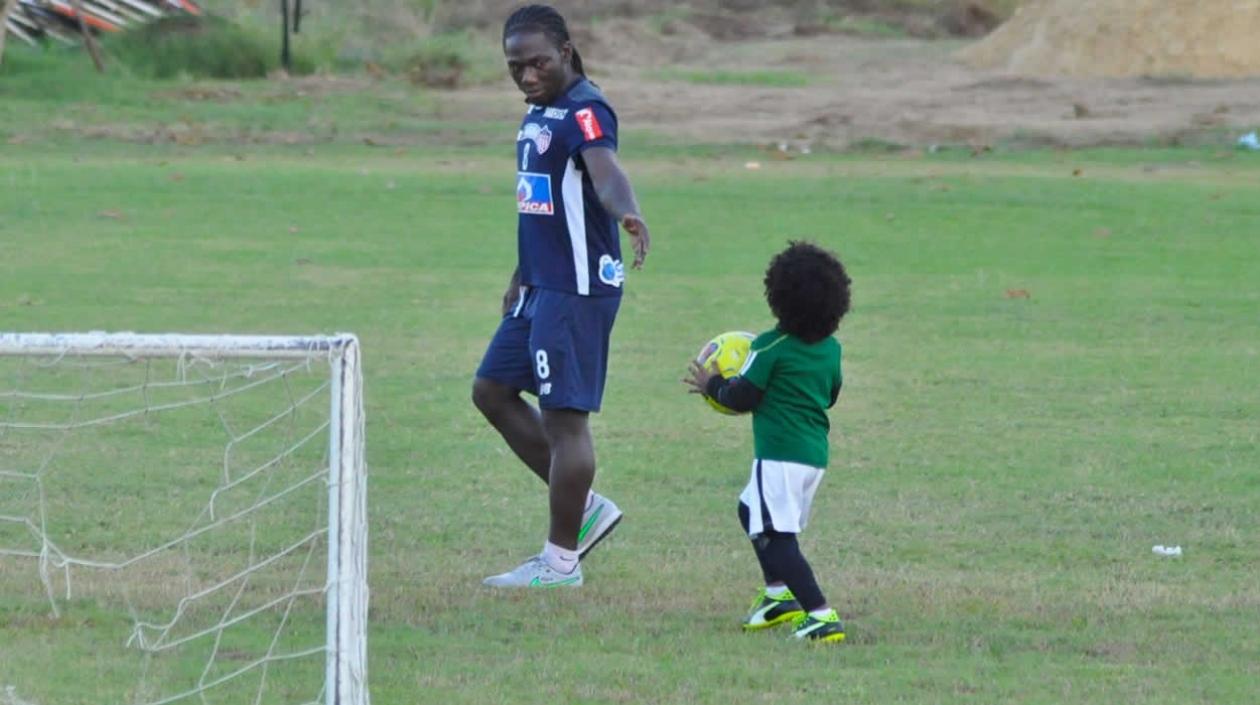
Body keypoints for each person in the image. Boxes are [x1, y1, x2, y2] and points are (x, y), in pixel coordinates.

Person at [473, 4, 651, 588]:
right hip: (540, 283)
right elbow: (542, 202)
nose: (527, 76)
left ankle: (559, 563)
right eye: (515, 66)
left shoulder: (585, 110)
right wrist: (520, 269)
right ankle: (587, 507)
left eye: (539, 63)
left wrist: (627, 213)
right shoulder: (541, 109)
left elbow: (605, 171)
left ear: (566, 53)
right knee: (493, 390)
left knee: (564, 421)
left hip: (578, 289)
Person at [683, 242, 852, 641]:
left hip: (778, 456)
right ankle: (778, 598)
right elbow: (830, 394)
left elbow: (742, 398)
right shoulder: (831, 350)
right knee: (749, 510)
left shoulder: (768, 348)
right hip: (813, 457)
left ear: (777, 299)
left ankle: (820, 614)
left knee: (777, 540)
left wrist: (713, 384)